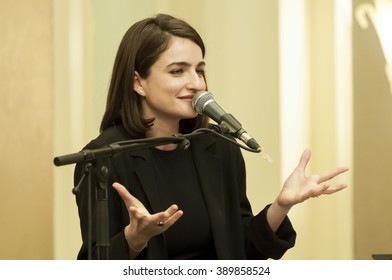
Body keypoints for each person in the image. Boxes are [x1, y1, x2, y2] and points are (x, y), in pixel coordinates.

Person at [73, 13, 348, 260]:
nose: (196, 83)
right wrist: (135, 238)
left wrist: (281, 205)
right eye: (178, 71)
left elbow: (242, 251)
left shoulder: (217, 148)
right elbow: (95, 265)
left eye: (199, 70)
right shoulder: (103, 159)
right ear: (138, 82)